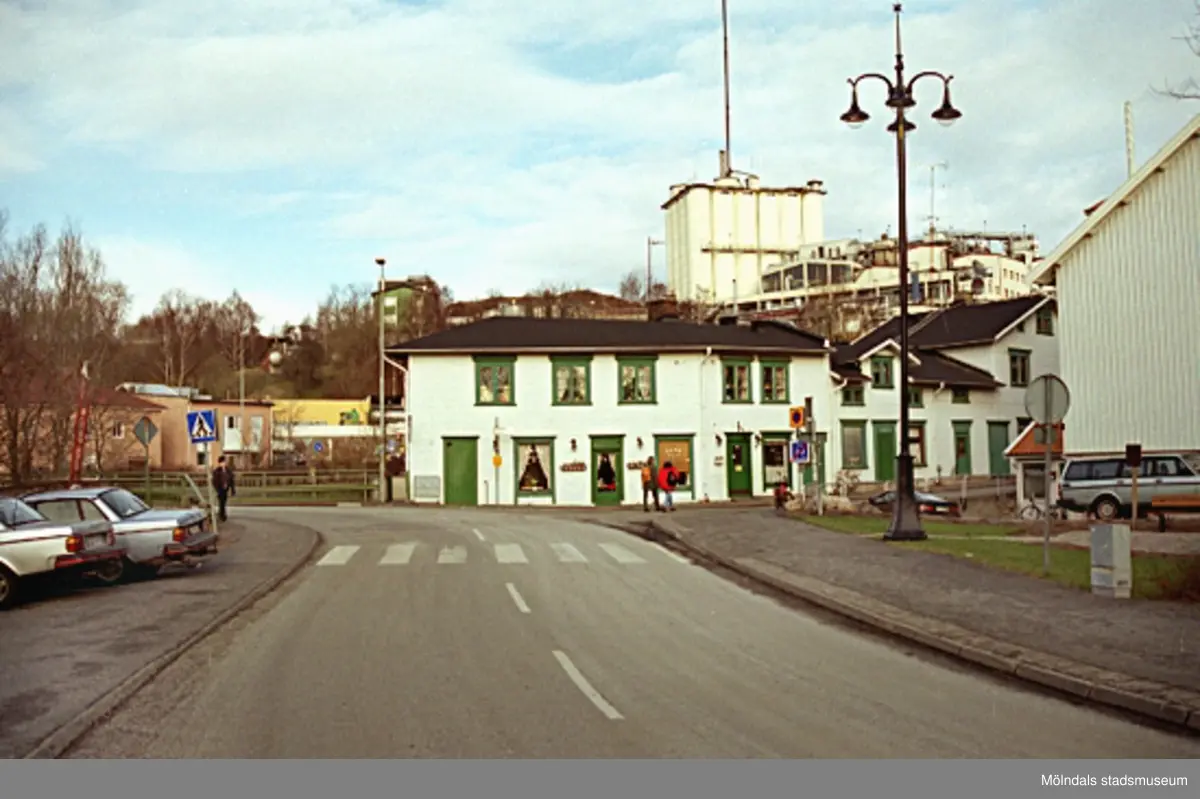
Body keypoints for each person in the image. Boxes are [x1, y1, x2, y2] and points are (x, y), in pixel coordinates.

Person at [212, 456, 234, 523]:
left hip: (226, 488)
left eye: (224, 462)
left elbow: (231, 480)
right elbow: (214, 481)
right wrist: (217, 489)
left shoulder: (228, 470)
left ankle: (221, 513)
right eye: (222, 462)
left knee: (224, 502)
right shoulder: (217, 471)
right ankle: (222, 515)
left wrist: (232, 489)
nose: (223, 463)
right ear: (219, 463)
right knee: (221, 502)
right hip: (220, 488)